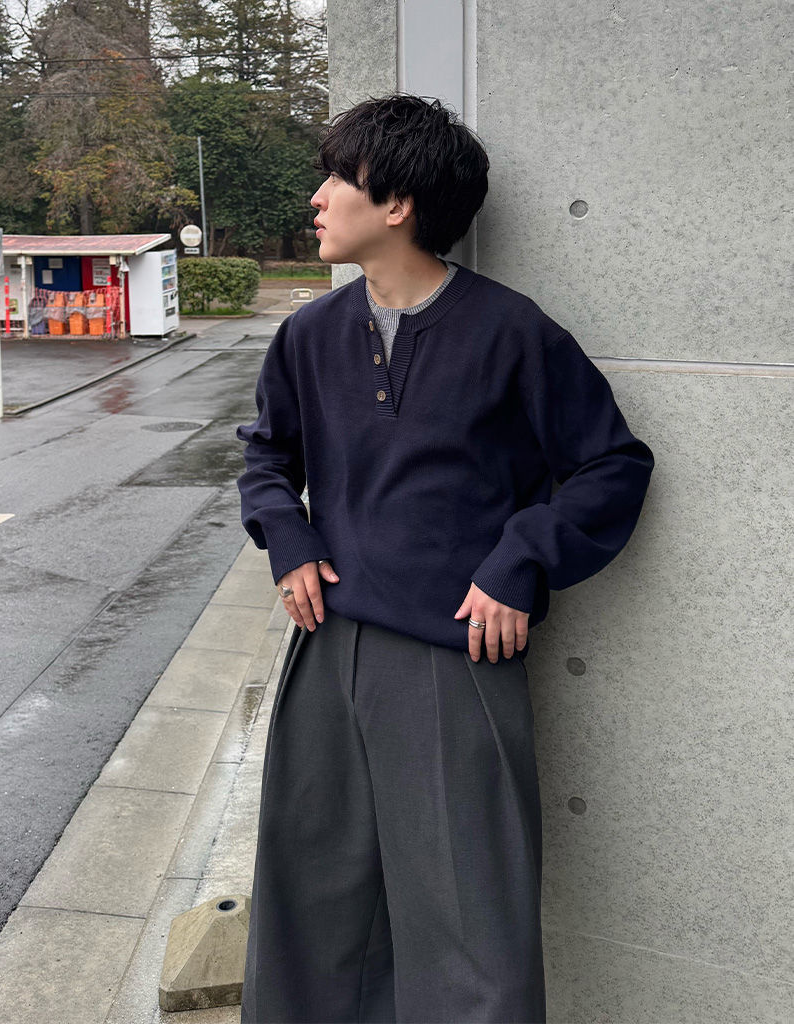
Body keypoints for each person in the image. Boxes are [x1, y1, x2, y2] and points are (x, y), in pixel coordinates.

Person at [236, 93, 655, 1024]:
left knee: (469, 918)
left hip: (454, 657)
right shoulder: (308, 335)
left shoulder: (512, 332)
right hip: (325, 649)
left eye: (338, 178)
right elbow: (267, 456)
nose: (318, 197)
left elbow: (613, 465)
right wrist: (287, 539)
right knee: (313, 898)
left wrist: (520, 561)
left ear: (398, 204)